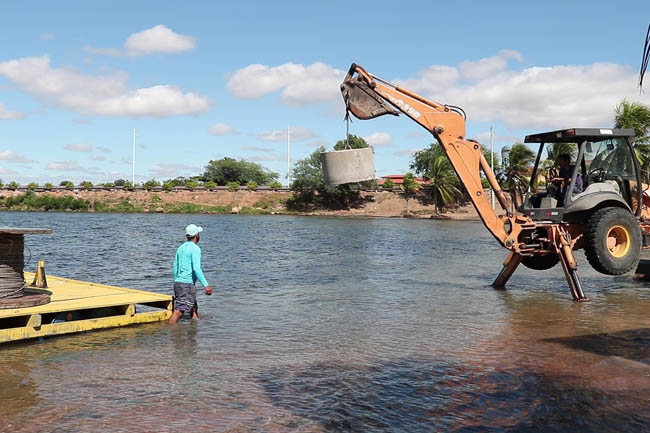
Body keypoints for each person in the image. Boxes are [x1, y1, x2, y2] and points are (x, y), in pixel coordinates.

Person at [169, 224, 213, 324]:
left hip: (179, 283)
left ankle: (193, 333)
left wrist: (177, 281)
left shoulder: (180, 248)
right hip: (187, 284)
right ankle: (172, 333)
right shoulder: (195, 249)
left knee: (194, 307)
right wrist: (206, 285)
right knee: (179, 312)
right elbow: (196, 268)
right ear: (197, 235)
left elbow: (175, 266)